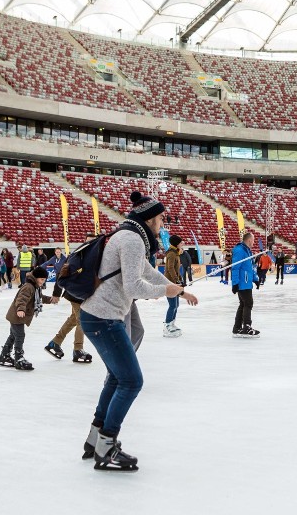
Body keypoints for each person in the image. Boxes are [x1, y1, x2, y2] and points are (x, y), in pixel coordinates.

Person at [79, 191, 198, 471]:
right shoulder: (131, 239)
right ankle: (106, 446)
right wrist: (165, 290)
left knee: (116, 379)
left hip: (99, 316)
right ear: (148, 218)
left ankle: (95, 438)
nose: (162, 224)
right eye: (159, 218)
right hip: (104, 318)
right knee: (131, 382)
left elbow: (146, 272)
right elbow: (135, 287)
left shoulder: (128, 235)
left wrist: (178, 291)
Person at [43, 243, 94, 363]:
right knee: (81, 320)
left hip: (81, 294)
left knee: (73, 319)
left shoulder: (91, 258)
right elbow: (62, 274)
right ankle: (78, 349)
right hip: (75, 294)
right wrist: (56, 293)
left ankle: (55, 343)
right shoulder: (76, 257)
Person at [0, 266, 55, 371]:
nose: (43, 282)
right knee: (19, 335)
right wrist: (20, 309)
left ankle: (4, 356)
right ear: (36, 278)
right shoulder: (29, 287)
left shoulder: (35, 287)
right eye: (42, 279)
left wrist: (50, 300)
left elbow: (39, 297)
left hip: (18, 315)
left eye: (44, 280)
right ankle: (18, 358)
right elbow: (22, 298)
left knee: (13, 336)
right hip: (17, 315)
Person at [232, 232, 260, 338]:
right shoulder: (240, 250)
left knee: (243, 304)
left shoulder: (247, 250)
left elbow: (250, 267)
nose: (254, 242)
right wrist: (235, 283)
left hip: (247, 282)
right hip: (242, 283)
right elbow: (235, 267)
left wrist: (255, 279)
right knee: (248, 303)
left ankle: (237, 327)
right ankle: (247, 327)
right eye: (253, 240)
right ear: (249, 240)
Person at [162, 235, 184, 338]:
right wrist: (176, 280)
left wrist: (180, 278)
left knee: (176, 305)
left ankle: (172, 323)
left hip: (174, 282)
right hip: (170, 282)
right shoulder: (171, 253)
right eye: (181, 242)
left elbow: (176, 268)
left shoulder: (176, 253)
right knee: (172, 305)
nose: (182, 243)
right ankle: (167, 325)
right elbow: (170, 268)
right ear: (176, 244)